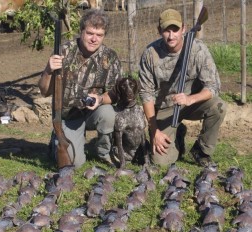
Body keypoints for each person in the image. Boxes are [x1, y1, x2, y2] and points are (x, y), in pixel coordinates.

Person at [138, 8, 226, 167]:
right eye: (166, 30)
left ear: (183, 29)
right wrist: (154, 131)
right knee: (161, 162)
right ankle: (178, 133)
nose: (171, 36)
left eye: (175, 30)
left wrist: (190, 99)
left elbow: (213, 86)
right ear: (159, 31)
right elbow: (146, 94)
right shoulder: (150, 54)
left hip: (192, 103)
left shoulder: (197, 48)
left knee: (218, 106)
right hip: (165, 109)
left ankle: (201, 150)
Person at [38, 9, 122, 168]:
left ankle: (104, 151)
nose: (94, 39)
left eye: (99, 35)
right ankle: (57, 142)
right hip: (69, 117)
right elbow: (44, 90)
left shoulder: (109, 56)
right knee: (74, 164)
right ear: (81, 31)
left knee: (109, 113)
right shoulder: (63, 51)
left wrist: (100, 99)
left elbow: (115, 94)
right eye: (90, 33)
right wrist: (48, 71)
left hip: (93, 112)